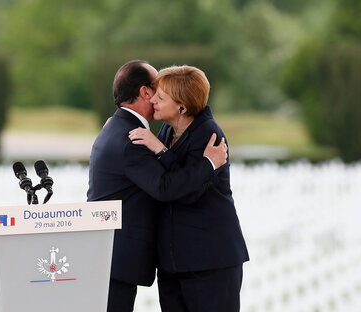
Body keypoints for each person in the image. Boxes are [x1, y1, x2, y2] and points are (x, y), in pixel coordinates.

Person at [87, 60, 228, 312]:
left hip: (200, 257)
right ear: (144, 92)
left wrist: (165, 151)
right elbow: (165, 187)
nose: (156, 100)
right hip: (120, 257)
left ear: (181, 105)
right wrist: (208, 163)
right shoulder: (133, 137)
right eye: (156, 90)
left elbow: (170, 182)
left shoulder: (122, 128)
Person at [128, 65, 249, 312]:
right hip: (174, 263)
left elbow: (185, 190)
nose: (153, 101)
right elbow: (170, 176)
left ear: (182, 107)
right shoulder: (167, 129)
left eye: (161, 97)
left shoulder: (208, 134)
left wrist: (160, 151)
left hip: (209, 260)